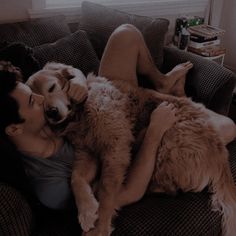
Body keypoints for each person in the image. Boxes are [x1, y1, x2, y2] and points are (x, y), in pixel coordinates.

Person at [0, 24, 234, 230]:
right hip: (128, 130)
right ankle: (170, 98)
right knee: (228, 127)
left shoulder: (41, 114)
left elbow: (50, 73)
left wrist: (79, 78)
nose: (42, 101)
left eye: (36, 95)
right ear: (13, 129)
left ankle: (162, 85)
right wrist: (155, 131)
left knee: (125, 34)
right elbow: (128, 190)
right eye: (33, 100)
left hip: (105, 104)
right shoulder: (48, 180)